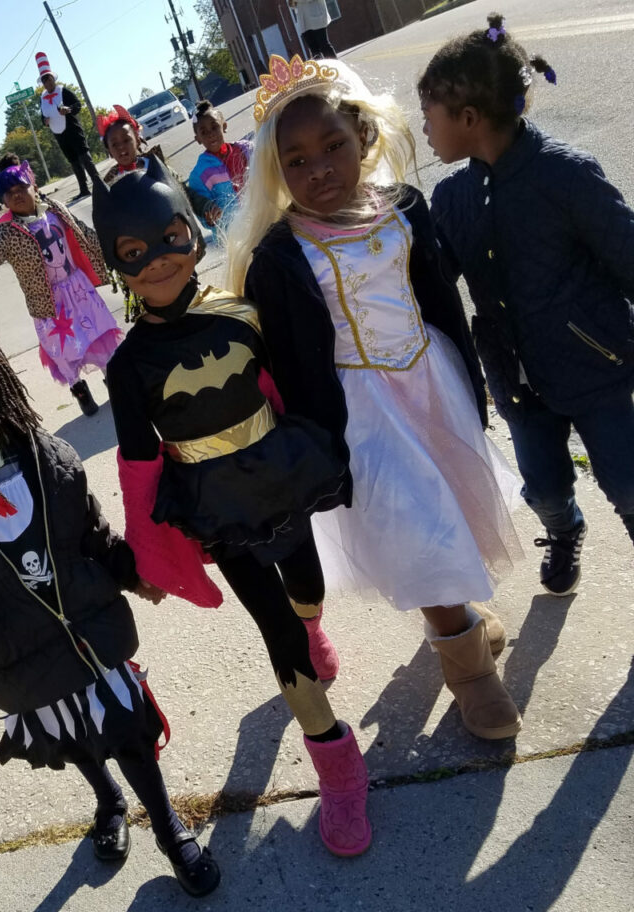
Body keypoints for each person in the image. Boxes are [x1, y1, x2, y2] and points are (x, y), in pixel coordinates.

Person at [0, 294, 221, 897]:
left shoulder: (47, 457)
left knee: (130, 731)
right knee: (74, 737)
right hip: (15, 654)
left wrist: (127, 568)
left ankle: (167, 828)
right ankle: (107, 800)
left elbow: (89, 533)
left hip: (94, 633)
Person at [227, 54, 524, 741]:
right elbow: (288, 358)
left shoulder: (403, 211)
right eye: (297, 160)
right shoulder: (281, 255)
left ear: (363, 137)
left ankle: (454, 619)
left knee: (453, 514)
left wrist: (474, 382)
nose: (320, 168)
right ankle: (470, 669)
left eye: (333, 145)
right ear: (278, 171)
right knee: (420, 527)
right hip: (364, 416)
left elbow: (439, 299)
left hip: (431, 382)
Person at [93, 155, 371, 858]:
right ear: (115, 265)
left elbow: (290, 386)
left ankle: (312, 628)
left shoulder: (243, 312)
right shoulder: (128, 368)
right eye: (133, 252)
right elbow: (136, 468)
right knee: (276, 627)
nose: (157, 261)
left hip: (280, 480)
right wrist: (147, 556)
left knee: (305, 590)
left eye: (168, 238)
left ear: (190, 230)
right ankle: (337, 765)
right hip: (217, 511)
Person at [419, 13, 634, 591]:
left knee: (631, 484)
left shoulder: (565, 175)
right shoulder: (451, 196)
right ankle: (565, 532)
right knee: (541, 486)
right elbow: (434, 279)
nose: (425, 131)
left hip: (598, 367)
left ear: (468, 119)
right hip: (516, 377)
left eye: (428, 118)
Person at [0, 157, 121, 417]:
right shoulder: (6, 233)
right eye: (9, 193)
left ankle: (112, 378)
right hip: (48, 302)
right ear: (3, 200)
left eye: (21, 188)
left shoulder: (55, 209)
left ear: (33, 187)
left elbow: (83, 233)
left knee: (99, 332)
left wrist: (113, 247)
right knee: (65, 347)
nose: (17, 196)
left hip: (79, 289)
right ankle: (78, 386)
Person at [99, 105, 221, 227]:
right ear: (109, 150)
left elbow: (185, 192)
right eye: (115, 144)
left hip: (177, 232)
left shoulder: (156, 165)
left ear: (137, 139)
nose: (121, 147)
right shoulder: (111, 186)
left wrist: (206, 208)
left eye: (126, 140)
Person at [36, 52, 92, 201]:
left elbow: (78, 105)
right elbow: (42, 116)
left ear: (53, 79)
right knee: (73, 161)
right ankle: (84, 189)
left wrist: (69, 110)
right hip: (59, 134)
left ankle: (98, 184)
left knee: (84, 157)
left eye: (49, 80)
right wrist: (45, 121)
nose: (47, 83)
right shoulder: (42, 98)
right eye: (44, 81)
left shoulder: (63, 91)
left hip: (72, 129)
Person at [188, 101, 254, 228]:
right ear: (198, 139)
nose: (211, 134)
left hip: (260, 219)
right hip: (235, 235)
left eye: (214, 127)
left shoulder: (246, 151)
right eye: (204, 132)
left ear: (224, 126)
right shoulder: (200, 175)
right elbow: (203, 211)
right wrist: (209, 219)